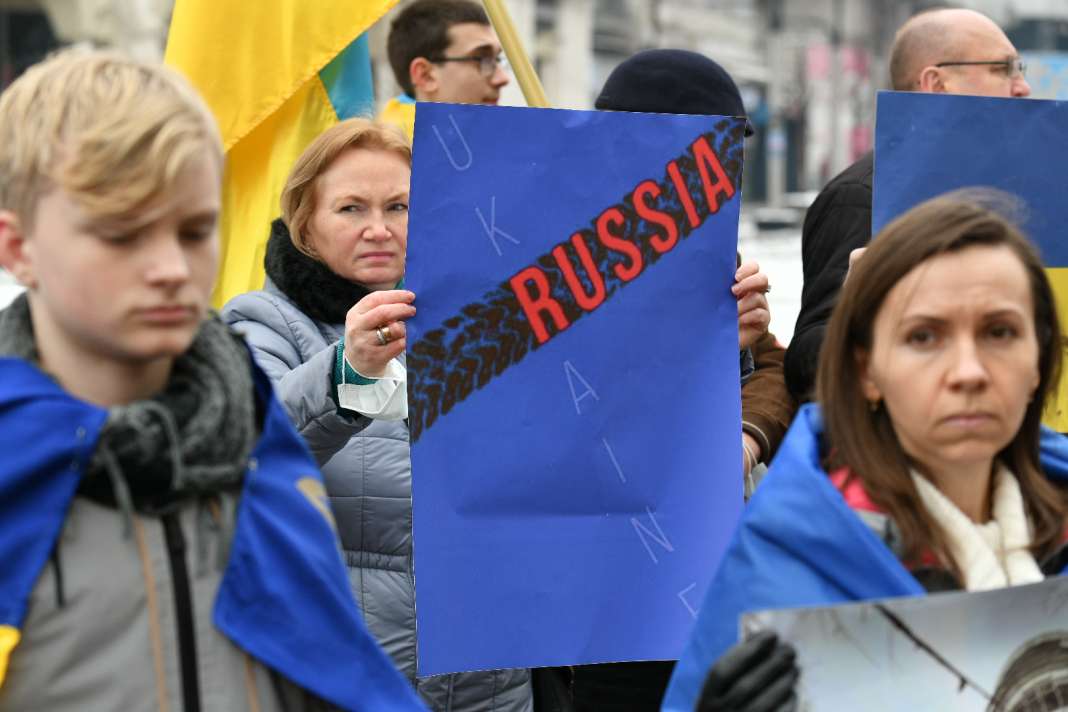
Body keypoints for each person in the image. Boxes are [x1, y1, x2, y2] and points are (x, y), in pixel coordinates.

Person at [0, 50, 424, 711]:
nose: (172, 267)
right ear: (18, 248)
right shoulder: (13, 464)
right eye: (122, 234)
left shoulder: (256, 436)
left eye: (196, 230)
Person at [662, 192, 1068, 711]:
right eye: (924, 337)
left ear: (1039, 359)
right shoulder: (779, 568)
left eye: (1000, 332)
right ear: (866, 369)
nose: (969, 371)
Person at [222, 117, 532, 711]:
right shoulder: (261, 323)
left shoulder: (482, 317)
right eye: (351, 209)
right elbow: (247, 451)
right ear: (304, 223)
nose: (379, 229)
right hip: (350, 682)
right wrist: (347, 373)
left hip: (489, 680)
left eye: (399, 207)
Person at [554, 48, 797, 712]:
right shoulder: (557, 255)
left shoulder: (706, 249)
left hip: (686, 574)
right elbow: (578, 407)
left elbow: (773, 367)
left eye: (734, 152)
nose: (730, 172)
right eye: (717, 150)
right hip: (585, 583)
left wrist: (744, 424)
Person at [784, 7, 1033, 402]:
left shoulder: (1024, 184)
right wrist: (858, 315)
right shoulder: (861, 195)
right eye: (1003, 69)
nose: (1023, 88)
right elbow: (806, 364)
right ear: (937, 83)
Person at [380, 0, 510, 140]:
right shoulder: (400, 151)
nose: (502, 78)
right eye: (482, 59)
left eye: (497, 59)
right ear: (425, 76)